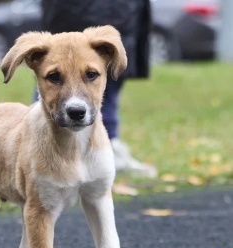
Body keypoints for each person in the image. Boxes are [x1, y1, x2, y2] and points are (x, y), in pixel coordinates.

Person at [40, 0, 157, 178]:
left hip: (118, 11)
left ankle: (107, 145)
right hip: (81, 10)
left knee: (101, 79)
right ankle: (37, 153)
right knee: (58, 69)